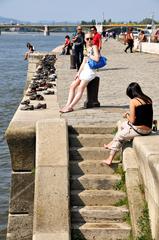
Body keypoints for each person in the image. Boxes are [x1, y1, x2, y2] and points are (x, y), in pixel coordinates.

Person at [101, 82, 153, 166]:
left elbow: (132, 120)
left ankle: (109, 159)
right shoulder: (148, 99)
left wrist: (127, 115)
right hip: (148, 129)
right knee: (123, 125)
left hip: (140, 130)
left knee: (120, 137)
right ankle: (110, 144)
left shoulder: (133, 101)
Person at [60, 32, 100, 113]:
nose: (89, 40)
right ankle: (67, 104)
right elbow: (83, 62)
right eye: (87, 39)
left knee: (80, 88)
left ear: (93, 39)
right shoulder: (85, 47)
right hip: (84, 70)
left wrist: (89, 55)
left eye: (91, 38)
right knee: (72, 86)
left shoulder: (94, 47)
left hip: (90, 71)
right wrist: (78, 73)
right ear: (85, 40)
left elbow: (97, 59)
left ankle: (71, 107)